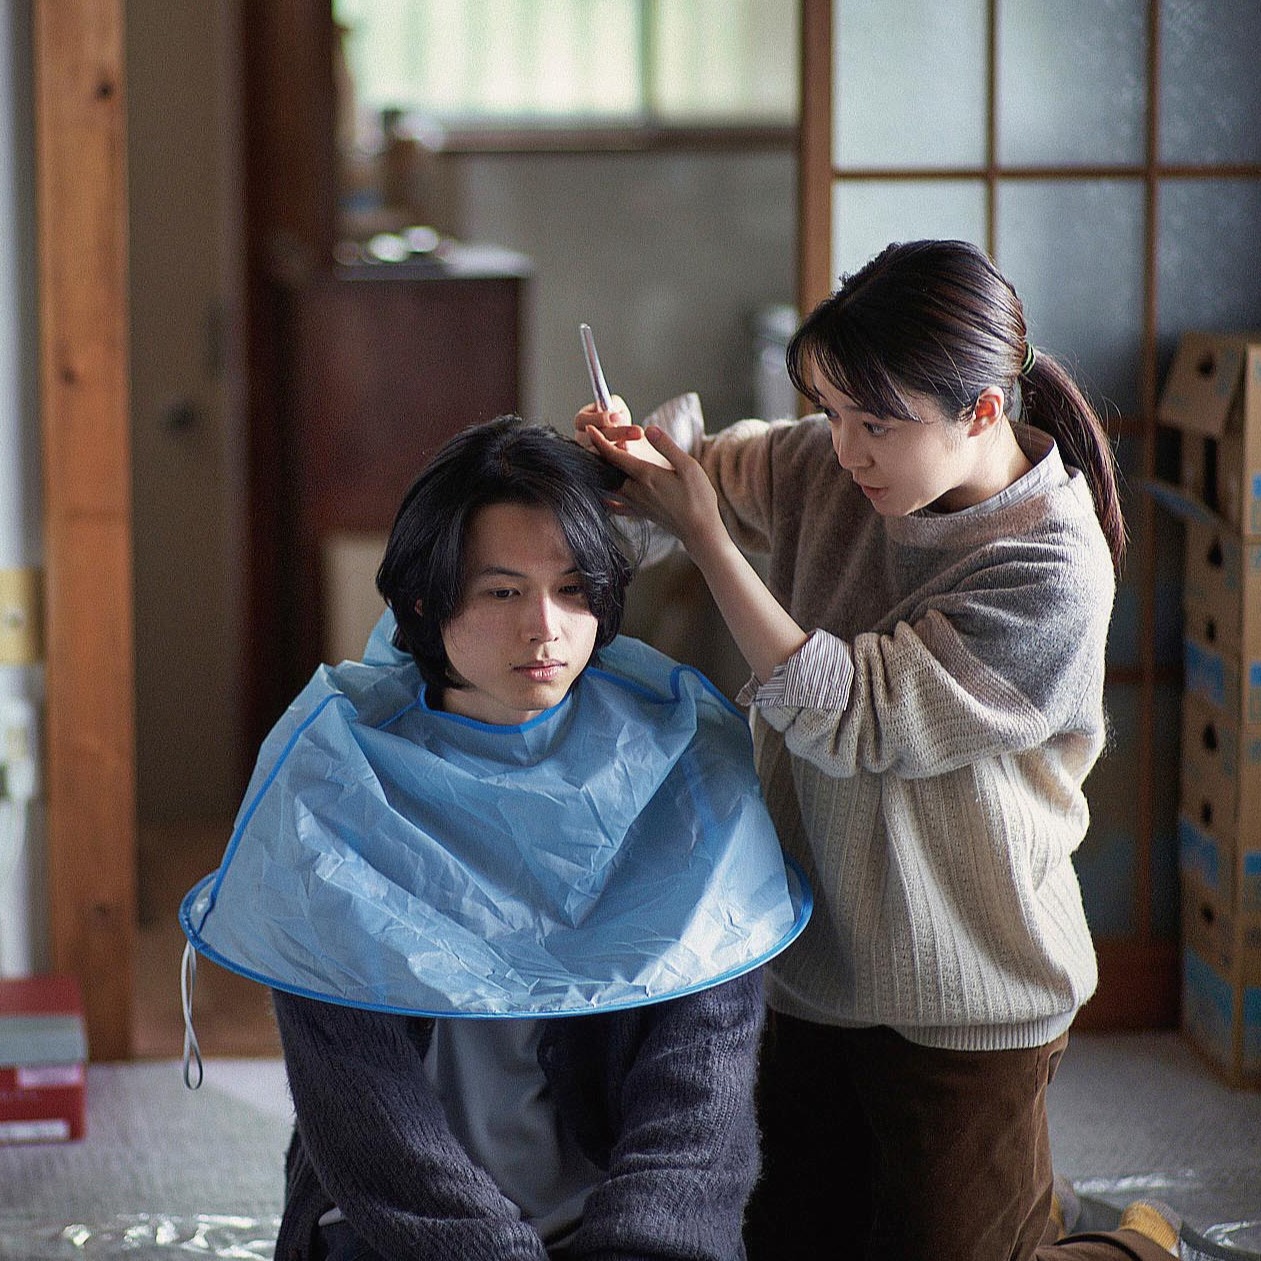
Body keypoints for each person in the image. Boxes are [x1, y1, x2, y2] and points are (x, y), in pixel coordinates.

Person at [576, 240, 1182, 1261]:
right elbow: (703, 475)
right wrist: (634, 461)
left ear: (980, 411)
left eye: (875, 423)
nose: (845, 449)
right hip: (808, 961)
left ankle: (1135, 1245)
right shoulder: (831, 465)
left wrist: (709, 540)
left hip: (970, 987)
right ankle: (1035, 1207)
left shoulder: (1051, 566)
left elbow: (851, 715)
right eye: (828, 411)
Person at [179, 415, 808, 1261]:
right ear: (423, 601)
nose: (544, 627)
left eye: (574, 588)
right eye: (503, 592)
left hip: (621, 1227)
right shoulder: (332, 782)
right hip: (405, 1230)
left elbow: (697, 1102)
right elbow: (369, 1119)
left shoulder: (686, 764)